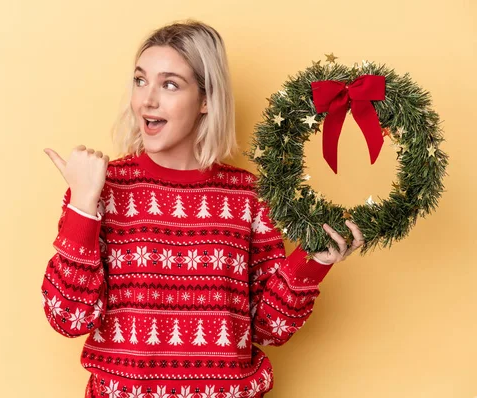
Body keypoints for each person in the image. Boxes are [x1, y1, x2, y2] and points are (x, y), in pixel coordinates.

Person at [41, 19, 365, 398]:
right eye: (140, 80)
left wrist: (315, 260)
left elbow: (266, 328)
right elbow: (68, 317)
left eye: (170, 84)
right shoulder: (101, 189)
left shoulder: (248, 196)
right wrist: (82, 206)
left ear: (207, 99)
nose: (147, 100)